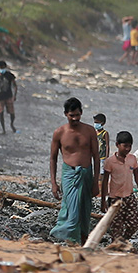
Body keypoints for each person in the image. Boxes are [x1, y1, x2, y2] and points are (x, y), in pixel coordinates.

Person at [50, 97, 99, 244]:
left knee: (85, 209)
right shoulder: (59, 133)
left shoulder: (89, 131)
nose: (75, 118)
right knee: (71, 210)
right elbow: (53, 158)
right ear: (66, 114)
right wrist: (53, 183)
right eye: (72, 115)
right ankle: (66, 238)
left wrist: (96, 182)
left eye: (77, 115)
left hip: (86, 173)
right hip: (69, 174)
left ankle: (83, 242)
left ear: (81, 113)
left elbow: (96, 157)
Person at [101, 131, 138, 241]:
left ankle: (123, 241)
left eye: (129, 146)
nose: (127, 149)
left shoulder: (132, 159)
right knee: (116, 227)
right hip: (115, 199)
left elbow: (137, 178)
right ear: (117, 145)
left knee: (133, 224)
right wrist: (103, 200)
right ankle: (116, 246)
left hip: (129, 197)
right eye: (125, 146)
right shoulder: (110, 162)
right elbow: (105, 181)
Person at [94, 113, 109, 193]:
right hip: (96, 156)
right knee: (96, 173)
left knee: (102, 174)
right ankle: (98, 190)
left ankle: (103, 190)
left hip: (102, 157)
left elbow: (107, 145)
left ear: (102, 123)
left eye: (97, 122)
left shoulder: (104, 133)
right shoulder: (94, 132)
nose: (96, 124)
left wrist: (107, 157)